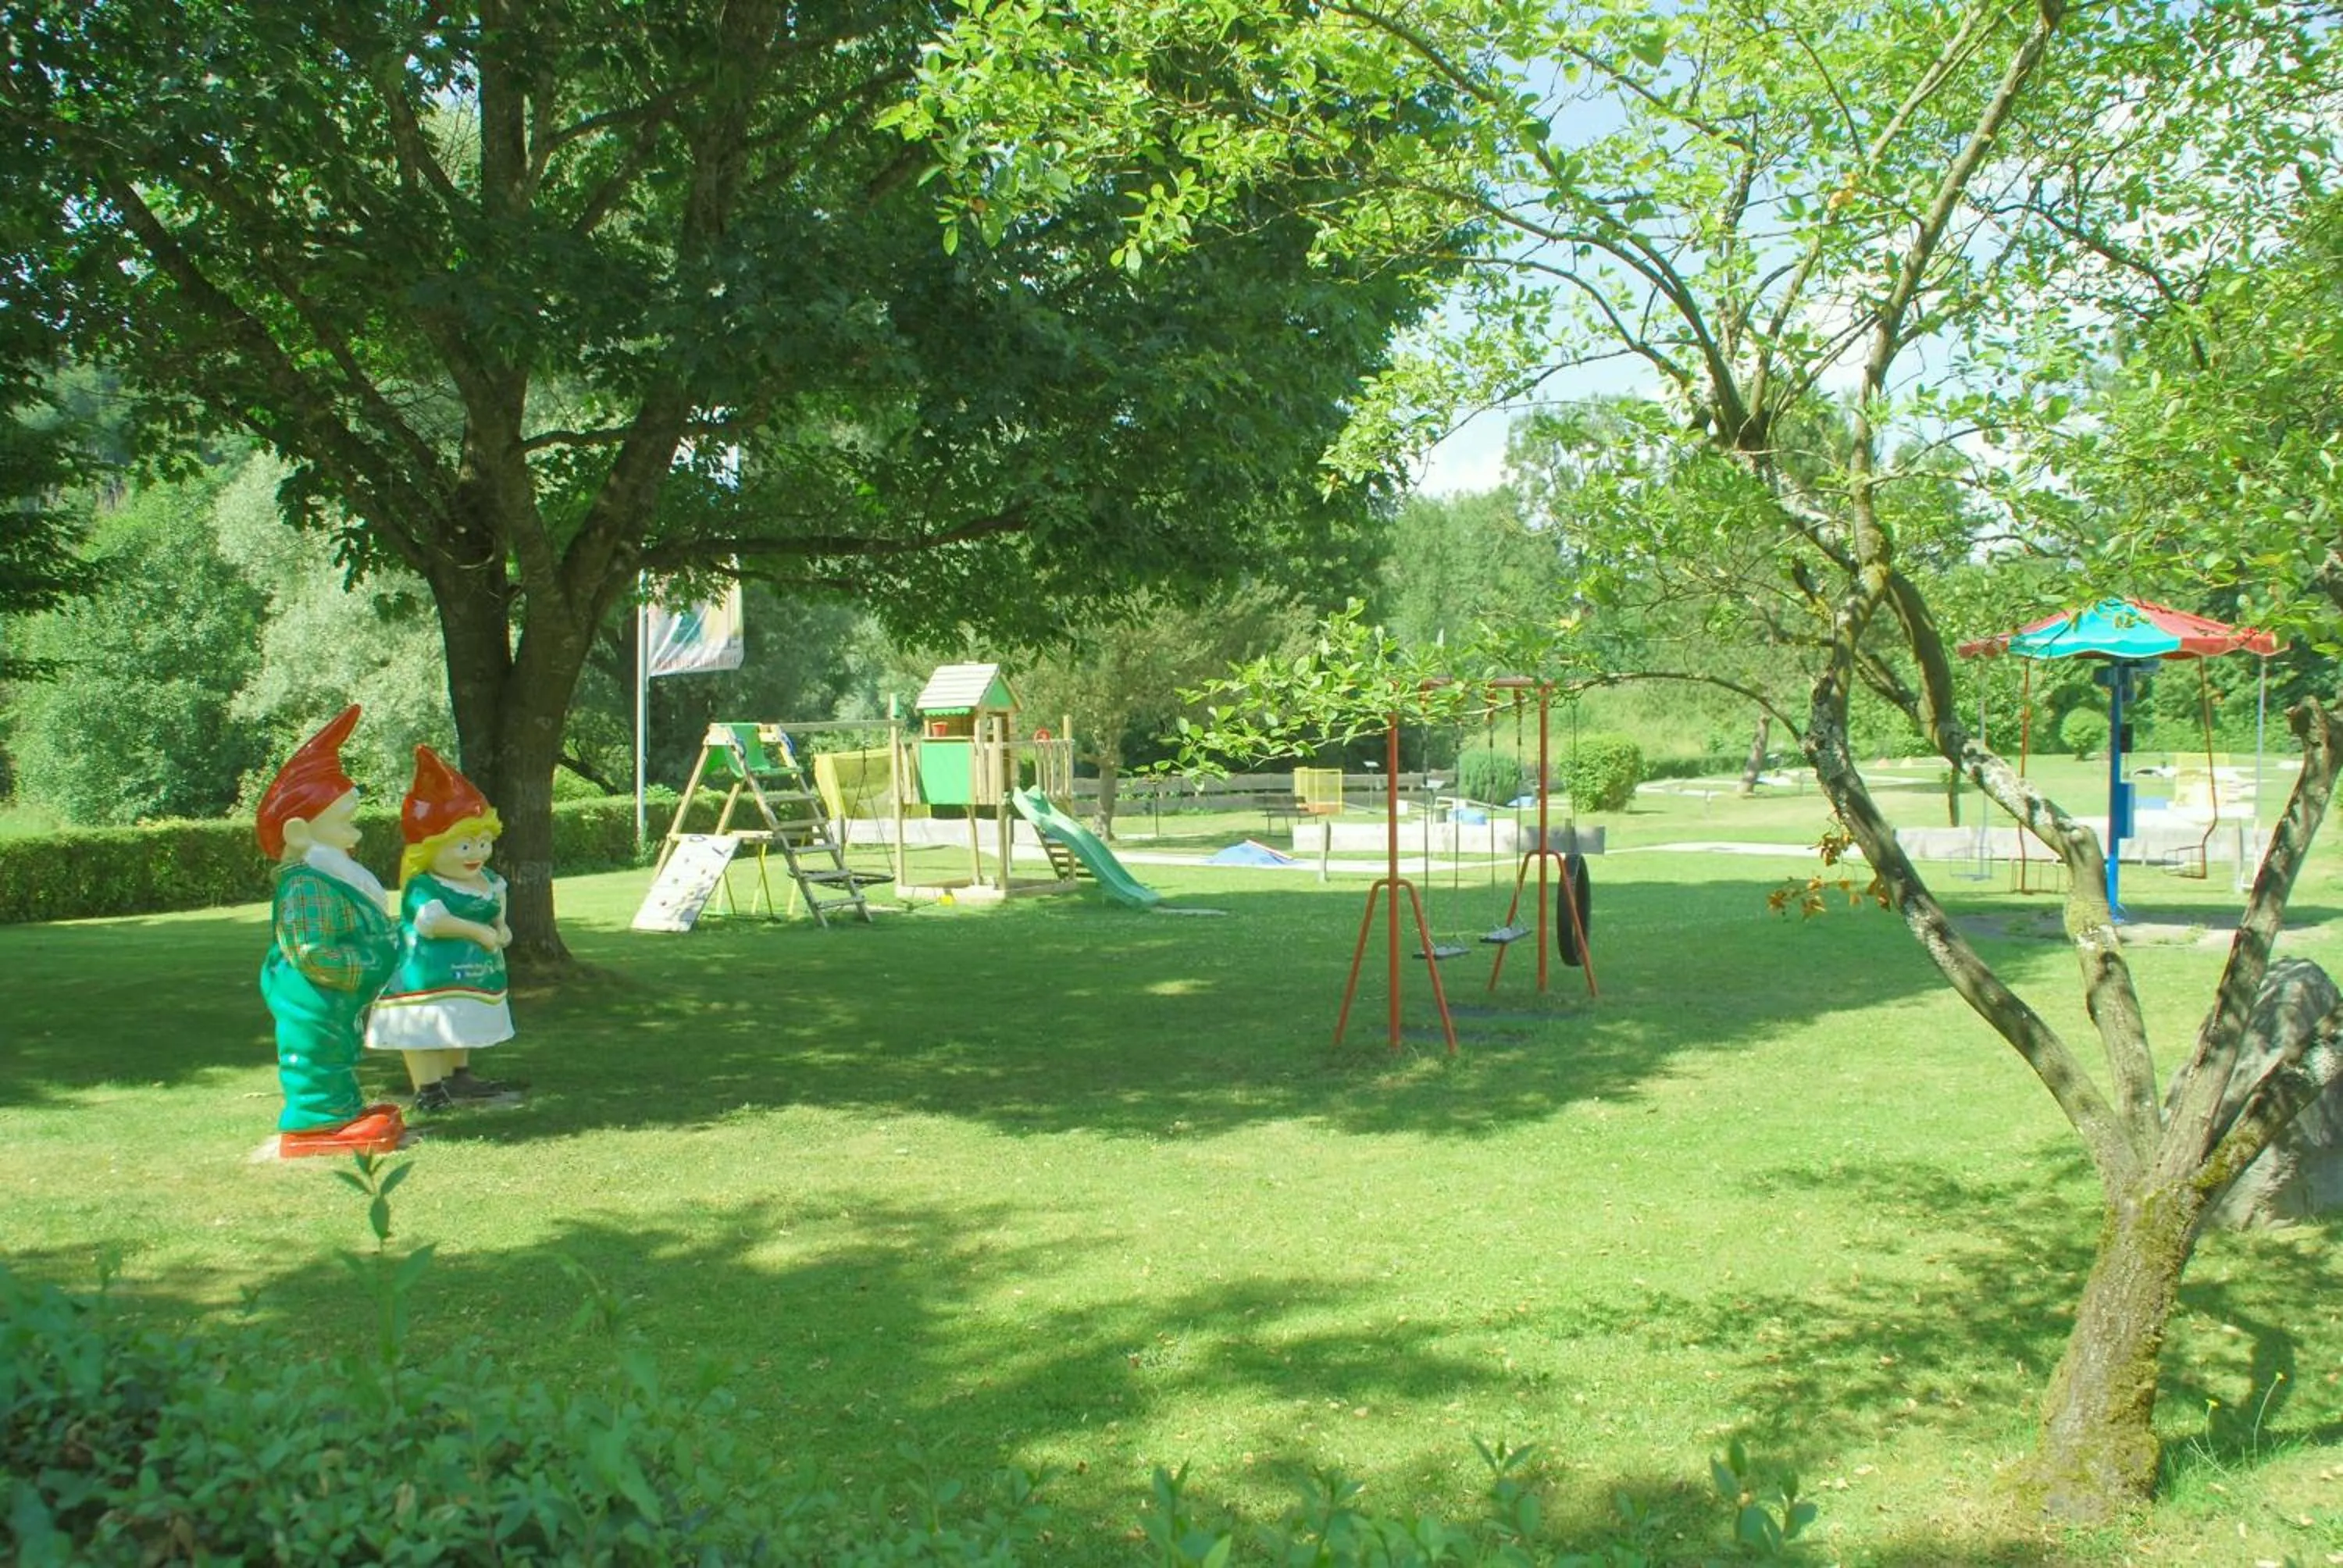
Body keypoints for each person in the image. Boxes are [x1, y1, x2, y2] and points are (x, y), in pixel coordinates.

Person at [256, 705, 406, 1157]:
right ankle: (315, 1120)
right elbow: (311, 950)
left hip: (335, 997)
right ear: (300, 831)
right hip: (314, 996)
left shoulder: (331, 875)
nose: (355, 831)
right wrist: (369, 963)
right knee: (316, 1051)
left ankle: (343, 1110)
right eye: (344, 821)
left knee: (338, 1050)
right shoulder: (306, 885)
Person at [364, 746, 519, 1109]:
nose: (476, 854)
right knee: (427, 1027)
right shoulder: (425, 886)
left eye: (483, 843)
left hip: (474, 972)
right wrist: (478, 933)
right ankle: (429, 1089)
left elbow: (498, 912)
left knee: (461, 1019)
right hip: (428, 972)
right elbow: (432, 922)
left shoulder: (489, 880)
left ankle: (459, 1075)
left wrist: (502, 929)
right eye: (465, 845)